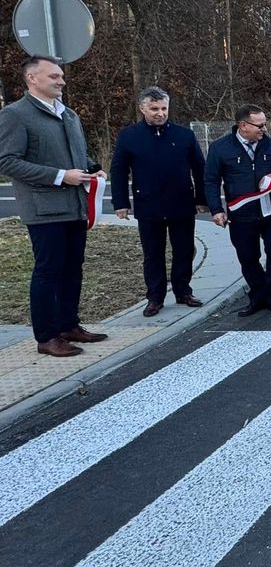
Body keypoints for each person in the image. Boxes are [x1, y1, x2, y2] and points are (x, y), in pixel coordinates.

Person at [0, 57, 108, 357]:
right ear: (32, 78)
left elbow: (77, 154)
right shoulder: (15, 115)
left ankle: (69, 325)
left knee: (73, 269)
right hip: (43, 210)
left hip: (74, 207)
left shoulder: (69, 115)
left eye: (61, 76)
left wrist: (92, 168)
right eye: (54, 76)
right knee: (48, 271)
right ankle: (47, 337)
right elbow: (7, 161)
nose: (61, 81)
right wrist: (61, 177)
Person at [110, 86, 208, 317]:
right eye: (154, 108)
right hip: (148, 205)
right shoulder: (129, 136)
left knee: (184, 250)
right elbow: (118, 170)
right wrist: (120, 203)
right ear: (143, 108)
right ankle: (155, 297)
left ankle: (183, 291)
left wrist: (201, 199)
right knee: (153, 253)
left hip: (181, 203)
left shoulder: (184, 135)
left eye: (164, 108)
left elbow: (199, 168)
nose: (160, 113)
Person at [204, 103, 271, 317]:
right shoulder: (220, 148)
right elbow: (211, 180)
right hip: (241, 214)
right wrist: (216, 209)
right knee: (248, 256)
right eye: (259, 125)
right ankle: (258, 296)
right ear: (243, 126)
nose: (264, 129)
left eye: (265, 124)